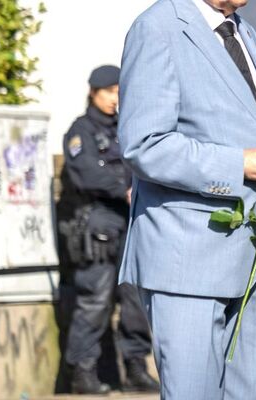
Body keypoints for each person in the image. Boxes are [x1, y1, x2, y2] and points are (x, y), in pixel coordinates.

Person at [117, 0, 256, 397]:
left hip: (249, 256)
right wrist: (239, 164)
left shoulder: (243, 30)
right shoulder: (156, 27)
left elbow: (250, 126)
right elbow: (144, 145)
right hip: (186, 258)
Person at [56, 65, 158, 395]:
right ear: (93, 92)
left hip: (131, 226)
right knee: (95, 303)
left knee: (135, 302)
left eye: (119, 91)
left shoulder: (128, 128)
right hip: (97, 227)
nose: (115, 98)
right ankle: (82, 374)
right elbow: (85, 173)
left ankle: (137, 368)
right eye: (109, 91)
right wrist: (123, 189)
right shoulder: (80, 131)